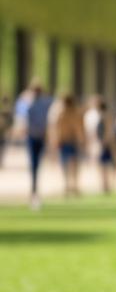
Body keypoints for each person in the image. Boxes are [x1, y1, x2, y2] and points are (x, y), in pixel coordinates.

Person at [19, 78, 53, 210]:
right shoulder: (31, 103)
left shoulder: (36, 102)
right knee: (34, 164)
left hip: (38, 136)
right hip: (33, 137)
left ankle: (34, 191)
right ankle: (34, 191)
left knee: (36, 164)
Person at [50, 92, 86, 197]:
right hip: (70, 140)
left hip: (65, 140)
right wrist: (82, 140)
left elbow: (56, 128)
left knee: (66, 164)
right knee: (73, 164)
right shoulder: (74, 112)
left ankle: (69, 185)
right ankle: (73, 185)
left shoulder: (60, 113)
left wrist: (55, 141)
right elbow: (80, 128)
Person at [84, 95, 116, 193]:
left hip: (103, 143)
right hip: (102, 142)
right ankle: (105, 184)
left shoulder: (103, 115)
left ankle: (106, 185)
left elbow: (107, 130)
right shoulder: (100, 115)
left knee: (104, 164)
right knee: (104, 164)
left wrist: (103, 141)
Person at [0, 94, 12, 168]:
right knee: (2, 146)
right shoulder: (8, 109)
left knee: (2, 146)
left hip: (3, 130)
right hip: (4, 131)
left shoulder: (7, 109)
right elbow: (10, 121)